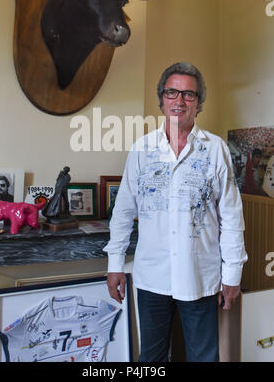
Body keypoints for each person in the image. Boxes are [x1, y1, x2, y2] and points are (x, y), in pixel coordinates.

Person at [104, 62, 247, 362]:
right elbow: (123, 212)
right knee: (152, 358)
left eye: (188, 95)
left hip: (201, 276)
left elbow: (232, 217)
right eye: (172, 92)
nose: (179, 101)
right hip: (151, 276)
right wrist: (115, 263)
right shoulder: (142, 150)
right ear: (161, 99)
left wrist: (232, 274)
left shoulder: (216, 150)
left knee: (203, 357)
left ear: (199, 103)